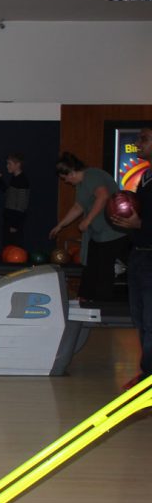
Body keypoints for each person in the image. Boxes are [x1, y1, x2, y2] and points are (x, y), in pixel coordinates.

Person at [49, 152, 129, 302]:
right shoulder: (81, 185)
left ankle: (101, 304)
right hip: (98, 234)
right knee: (90, 266)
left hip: (112, 232)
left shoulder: (92, 175)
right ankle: (85, 298)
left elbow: (103, 196)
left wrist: (87, 221)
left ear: (71, 173)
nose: (65, 181)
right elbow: (78, 207)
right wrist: (60, 225)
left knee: (103, 269)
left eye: (64, 178)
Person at [108, 127, 152, 390]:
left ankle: (149, 381)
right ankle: (147, 375)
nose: (138, 143)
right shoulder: (146, 177)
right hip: (140, 256)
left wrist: (139, 225)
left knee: (151, 321)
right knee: (140, 318)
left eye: (144, 139)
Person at [0, 153, 30, 248]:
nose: (7, 166)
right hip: (9, 217)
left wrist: (15, 224)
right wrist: (0, 180)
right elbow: (8, 193)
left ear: (18, 164)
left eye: (9, 163)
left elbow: (21, 204)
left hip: (14, 219)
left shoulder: (22, 180)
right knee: (7, 245)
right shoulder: (14, 178)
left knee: (14, 245)